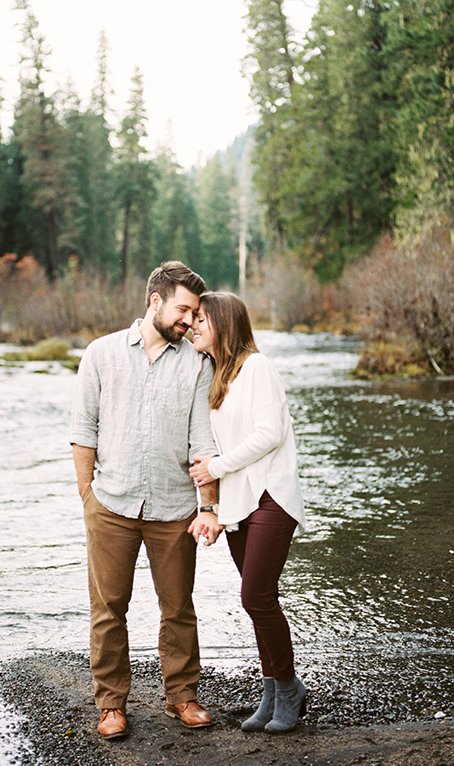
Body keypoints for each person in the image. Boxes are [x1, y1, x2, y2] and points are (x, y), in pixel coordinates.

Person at [69, 262, 220, 739]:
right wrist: (88, 498)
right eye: (183, 309)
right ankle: (111, 704)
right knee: (108, 607)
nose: (190, 321)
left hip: (174, 507)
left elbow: (204, 442)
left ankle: (182, 696)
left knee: (178, 607)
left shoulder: (198, 362)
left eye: (194, 313)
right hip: (110, 504)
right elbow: (82, 432)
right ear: (155, 301)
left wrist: (208, 505)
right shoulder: (101, 354)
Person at [188, 291, 307, 734]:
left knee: (255, 596)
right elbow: (212, 445)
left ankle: (289, 688)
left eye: (201, 318)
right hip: (240, 504)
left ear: (224, 323)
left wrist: (215, 467)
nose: (194, 325)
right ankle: (273, 691)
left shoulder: (257, 367)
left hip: (271, 497)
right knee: (259, 602)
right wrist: (213, 508)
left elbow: (269, 433)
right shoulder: (217, 375)